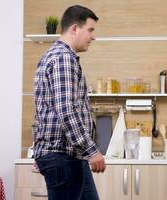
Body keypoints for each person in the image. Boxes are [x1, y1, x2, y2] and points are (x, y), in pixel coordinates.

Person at [33, 5, 105, 200]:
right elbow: (66, 111)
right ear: (75, 28)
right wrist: (92, 151)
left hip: (70, 155)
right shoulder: (63, 58)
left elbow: (43, 109)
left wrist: (40, 149)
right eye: (90, 30)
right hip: (63, 157)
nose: (93, 36)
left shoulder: (56, 56)